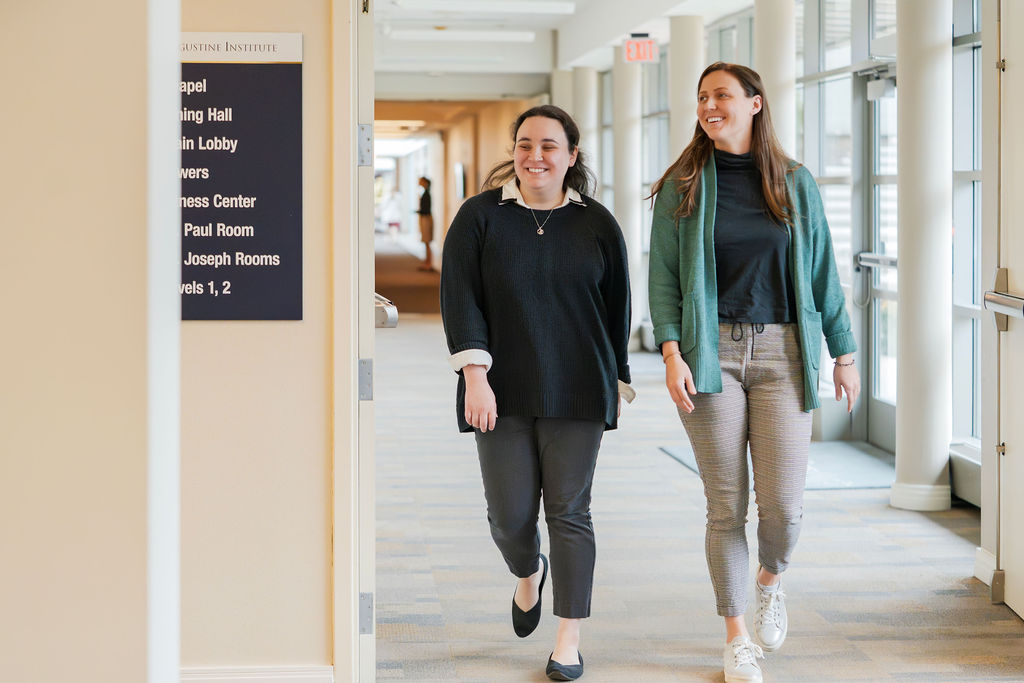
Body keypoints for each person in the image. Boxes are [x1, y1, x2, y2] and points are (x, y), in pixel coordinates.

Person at [648, 62, 861, 683]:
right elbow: (663, 276)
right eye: (702, 97)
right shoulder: (683, 185)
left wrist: (844, 355)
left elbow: (823, 275)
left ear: (755, 104)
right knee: (725, 506)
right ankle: (736, 633)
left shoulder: (794, 183)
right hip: (709, 354)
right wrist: (670, 352)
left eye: (722, 95)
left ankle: (770, 580)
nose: (709, 105)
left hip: (785, 355)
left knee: (785, 509)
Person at [440, 104, 633, 682]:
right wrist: (475, 375)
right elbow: (460, 298)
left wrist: (616, 377)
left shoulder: (596, 223)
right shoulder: (481, 217)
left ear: (572, 156)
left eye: (549, 146)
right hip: (500, 389)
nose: (535, 156)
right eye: (525, 144)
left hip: (578, 387)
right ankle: (528, 571)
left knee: (570, 511)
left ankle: (568, 638)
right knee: (509, 517)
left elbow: (617, 308)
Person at [417, 176, 435, 270]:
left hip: (426, 218)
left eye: (420, 181)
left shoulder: (427, 194)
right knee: (426, 242)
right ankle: (427, 262)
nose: (419, 182)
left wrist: (418, 211)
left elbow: (426, 209)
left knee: (427, 241)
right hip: (425, 217)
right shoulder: (425, 193)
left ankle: (429, 263)